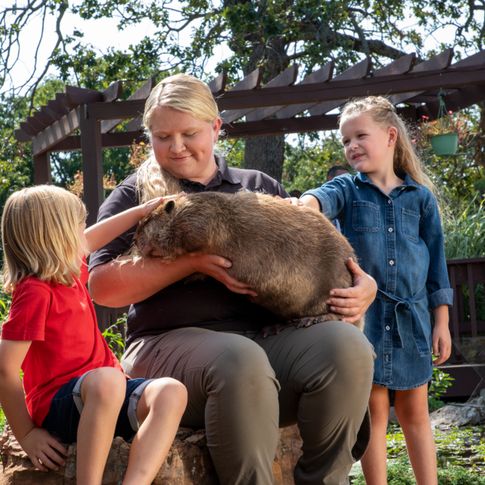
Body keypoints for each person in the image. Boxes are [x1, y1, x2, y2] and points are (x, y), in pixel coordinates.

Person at [88, 73, 376, 485]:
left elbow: (316, 249)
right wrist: (192, 263)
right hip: (166, 348)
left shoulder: (257, 187)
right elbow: (102, 286)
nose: (177, 146)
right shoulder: (133, 196)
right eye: (163, 136)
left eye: (189, 133)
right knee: (240, 359)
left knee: (346, 346)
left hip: (267, 340)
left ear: (216, 127)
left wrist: (364, 287)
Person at [300, 96, 453, 485]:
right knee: (375, 413)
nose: (352, 146)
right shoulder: (349, 191)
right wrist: (306, 204)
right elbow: (322, 197)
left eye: (360, 136)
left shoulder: (419, 199)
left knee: (416, 413)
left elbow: (437, 266)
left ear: (389, 136)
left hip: (413, 321)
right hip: (366, 322)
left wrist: (442, 322)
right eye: (345, 141)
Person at [0, 185, 188, 485]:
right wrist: (26, 434)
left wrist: (140, 212)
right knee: (108, 380)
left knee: (171, 391)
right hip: (60, 405)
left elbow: (98, 236)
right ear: (56, 238)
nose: (84, 236)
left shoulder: (71, 273)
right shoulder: (35, 292)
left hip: (104, 395)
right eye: (77, 227)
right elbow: (5, 370)